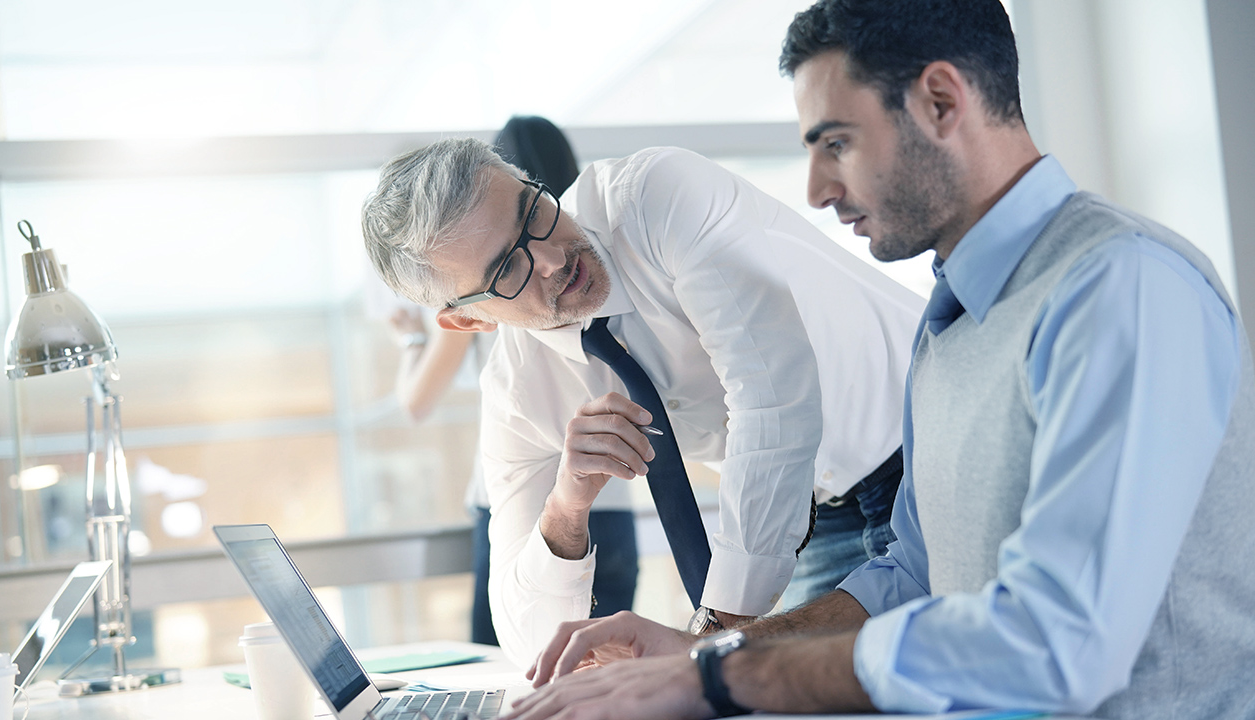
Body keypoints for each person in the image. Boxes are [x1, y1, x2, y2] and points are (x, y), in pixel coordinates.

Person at [502, 0, 1255, 718]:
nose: (818, 189)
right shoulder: (948, 326)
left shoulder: (1120, 287)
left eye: (837, 143)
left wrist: (725, 677)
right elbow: (909, 580)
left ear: (939, 101)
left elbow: (1060, 641)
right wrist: (701, 655)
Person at [361, 135, 922, 665]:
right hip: (820, 513)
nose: (551, 259)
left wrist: (705, 639)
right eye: (507, 270)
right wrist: (565, 506)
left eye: (532, 214)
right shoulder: (519, 389)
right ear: (468, 319)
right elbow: (529, 639)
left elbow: (773, 400)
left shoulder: (659, 195)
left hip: (928, 441)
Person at [392, 116, 643, 647]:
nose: (534, 263)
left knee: (531, 673)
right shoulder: (584, 253)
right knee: (607, 677)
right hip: (617, 504)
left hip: (527, 511)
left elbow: (416, 401)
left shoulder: (481, 275)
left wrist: (410, 341)